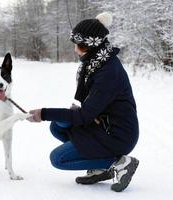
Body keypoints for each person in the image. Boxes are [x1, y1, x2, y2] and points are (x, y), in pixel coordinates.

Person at [27, 12, 139, 192]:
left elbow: (83, 116)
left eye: (80, 45)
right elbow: (88, 110)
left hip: (117, 135)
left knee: (58, 159)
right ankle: (99, 167)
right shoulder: (96, 62)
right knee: (58, 126)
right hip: (101, 125)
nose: (76, 49)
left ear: (93, 46)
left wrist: (44, 113)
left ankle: (119, 162)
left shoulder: (108, 73)